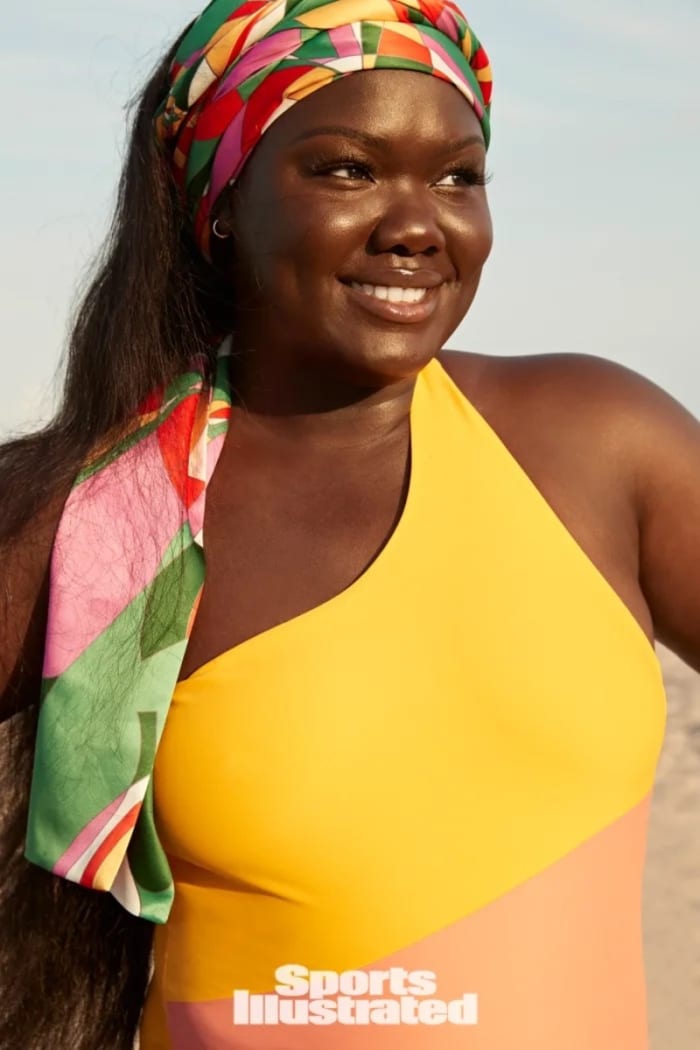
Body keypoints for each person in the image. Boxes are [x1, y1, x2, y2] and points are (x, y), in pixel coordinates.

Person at [1, 0, 698, 1047]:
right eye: (347, 170)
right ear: (223, 200)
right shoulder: (100, 514)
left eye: (458, 176)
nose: (420, 222)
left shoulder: (600, 444)